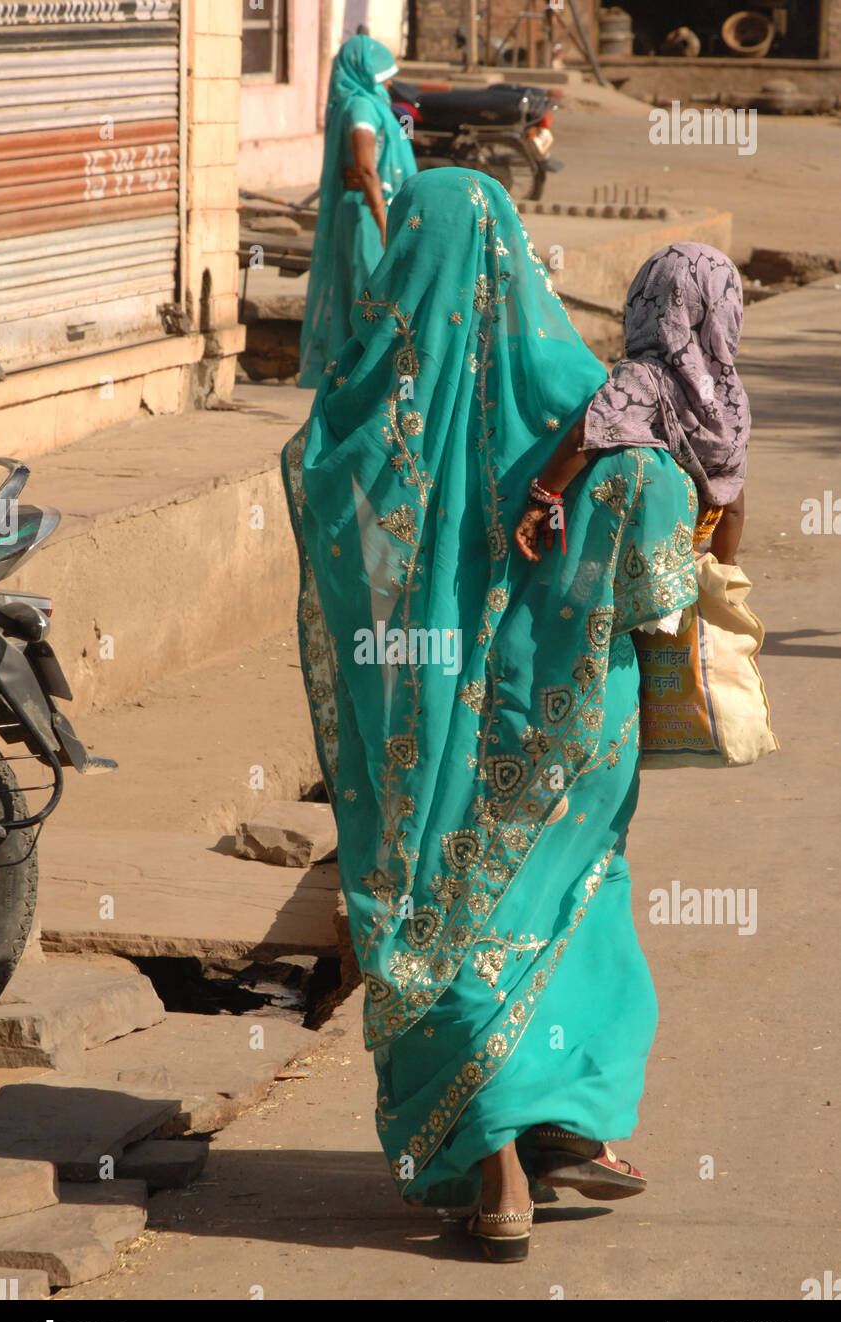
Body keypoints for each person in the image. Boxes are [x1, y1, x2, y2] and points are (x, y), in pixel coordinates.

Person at [281, 171, 735, 1263]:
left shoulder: (357, 434)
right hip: (573, 739)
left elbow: (333, 534)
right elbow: (666, 578)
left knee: (441, 919)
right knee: (571, 910)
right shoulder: (588, 410)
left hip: (415, 748)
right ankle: (557, 1125)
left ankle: (499, 1166)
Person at [515, 241, 749, 571]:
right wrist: (725, 565)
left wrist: (544, 496)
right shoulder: (730, 395)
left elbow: (590, 430)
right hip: (695, 547)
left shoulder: (644, 377)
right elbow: (732, 496)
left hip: (643, 552)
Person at [298, 34, 417, 388]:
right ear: (364, 72)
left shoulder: (364, 103)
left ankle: (363, 376)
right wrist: (384, 220)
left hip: (367, 208)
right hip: (366, 211)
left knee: (371, 291)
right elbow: (366, 167)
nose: (389, 82)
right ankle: (364, 378)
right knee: (371, 294)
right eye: (383, 74)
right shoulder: (361, 108)